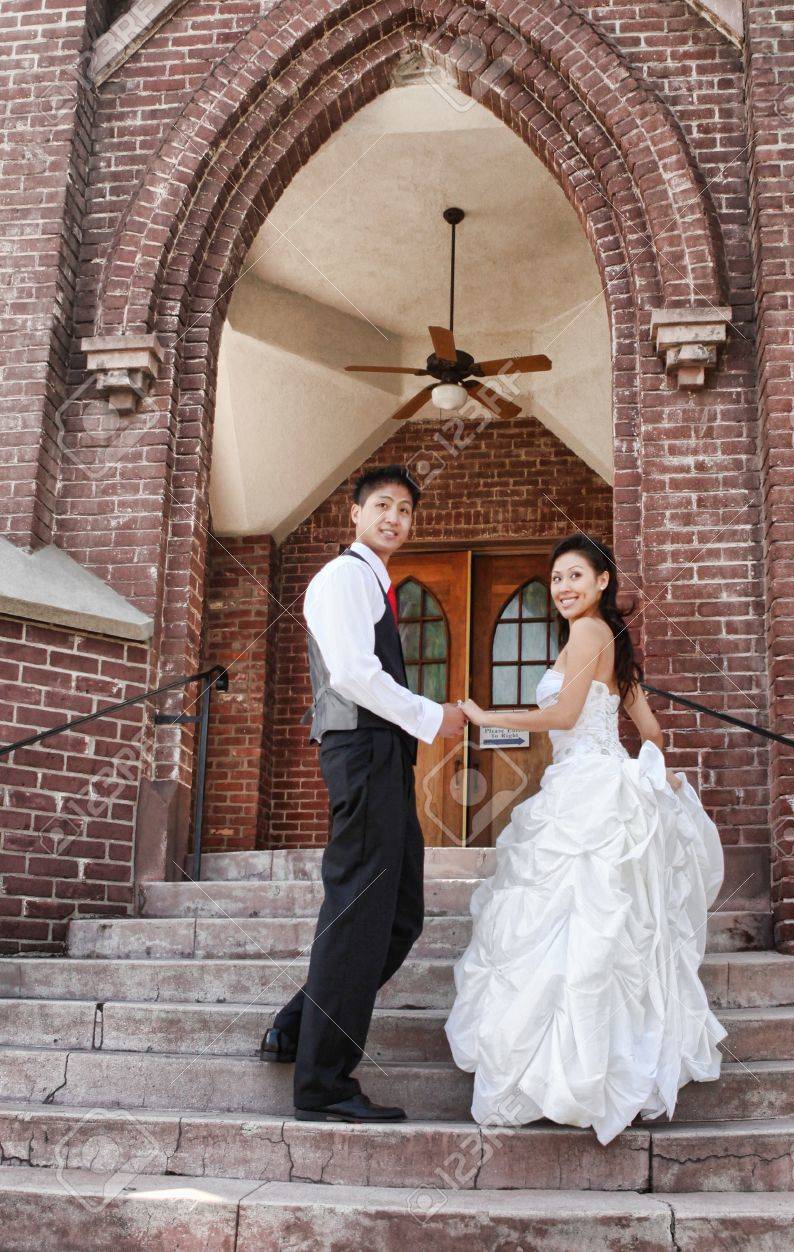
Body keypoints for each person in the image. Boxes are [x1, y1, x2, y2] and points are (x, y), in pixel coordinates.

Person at [445, 532, 726, 1145]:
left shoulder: (587, 634)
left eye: (576, 575)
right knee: (597, 931)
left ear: (603, 581)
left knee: (571, 925)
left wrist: (490, 716)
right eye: (557, 579)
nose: (564, 588)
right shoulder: (615, 644)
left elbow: (564, 718)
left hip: (583, 786)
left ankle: (563, 1076)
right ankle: (595, 1068)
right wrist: (641, 770)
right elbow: (649, 730)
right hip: (595, 779)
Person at [259, 465, 466, 1123]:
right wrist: (434, 717)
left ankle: (297, 1028)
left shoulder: (373, 581)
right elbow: (351, 673)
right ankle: (322, 1085)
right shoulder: (344, 578)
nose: (395, 519)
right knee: (359, 912)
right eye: (382, 505)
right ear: (353, 513)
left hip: (382, 758)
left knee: (399, 914)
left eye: (405, 510)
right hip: (364, 753)